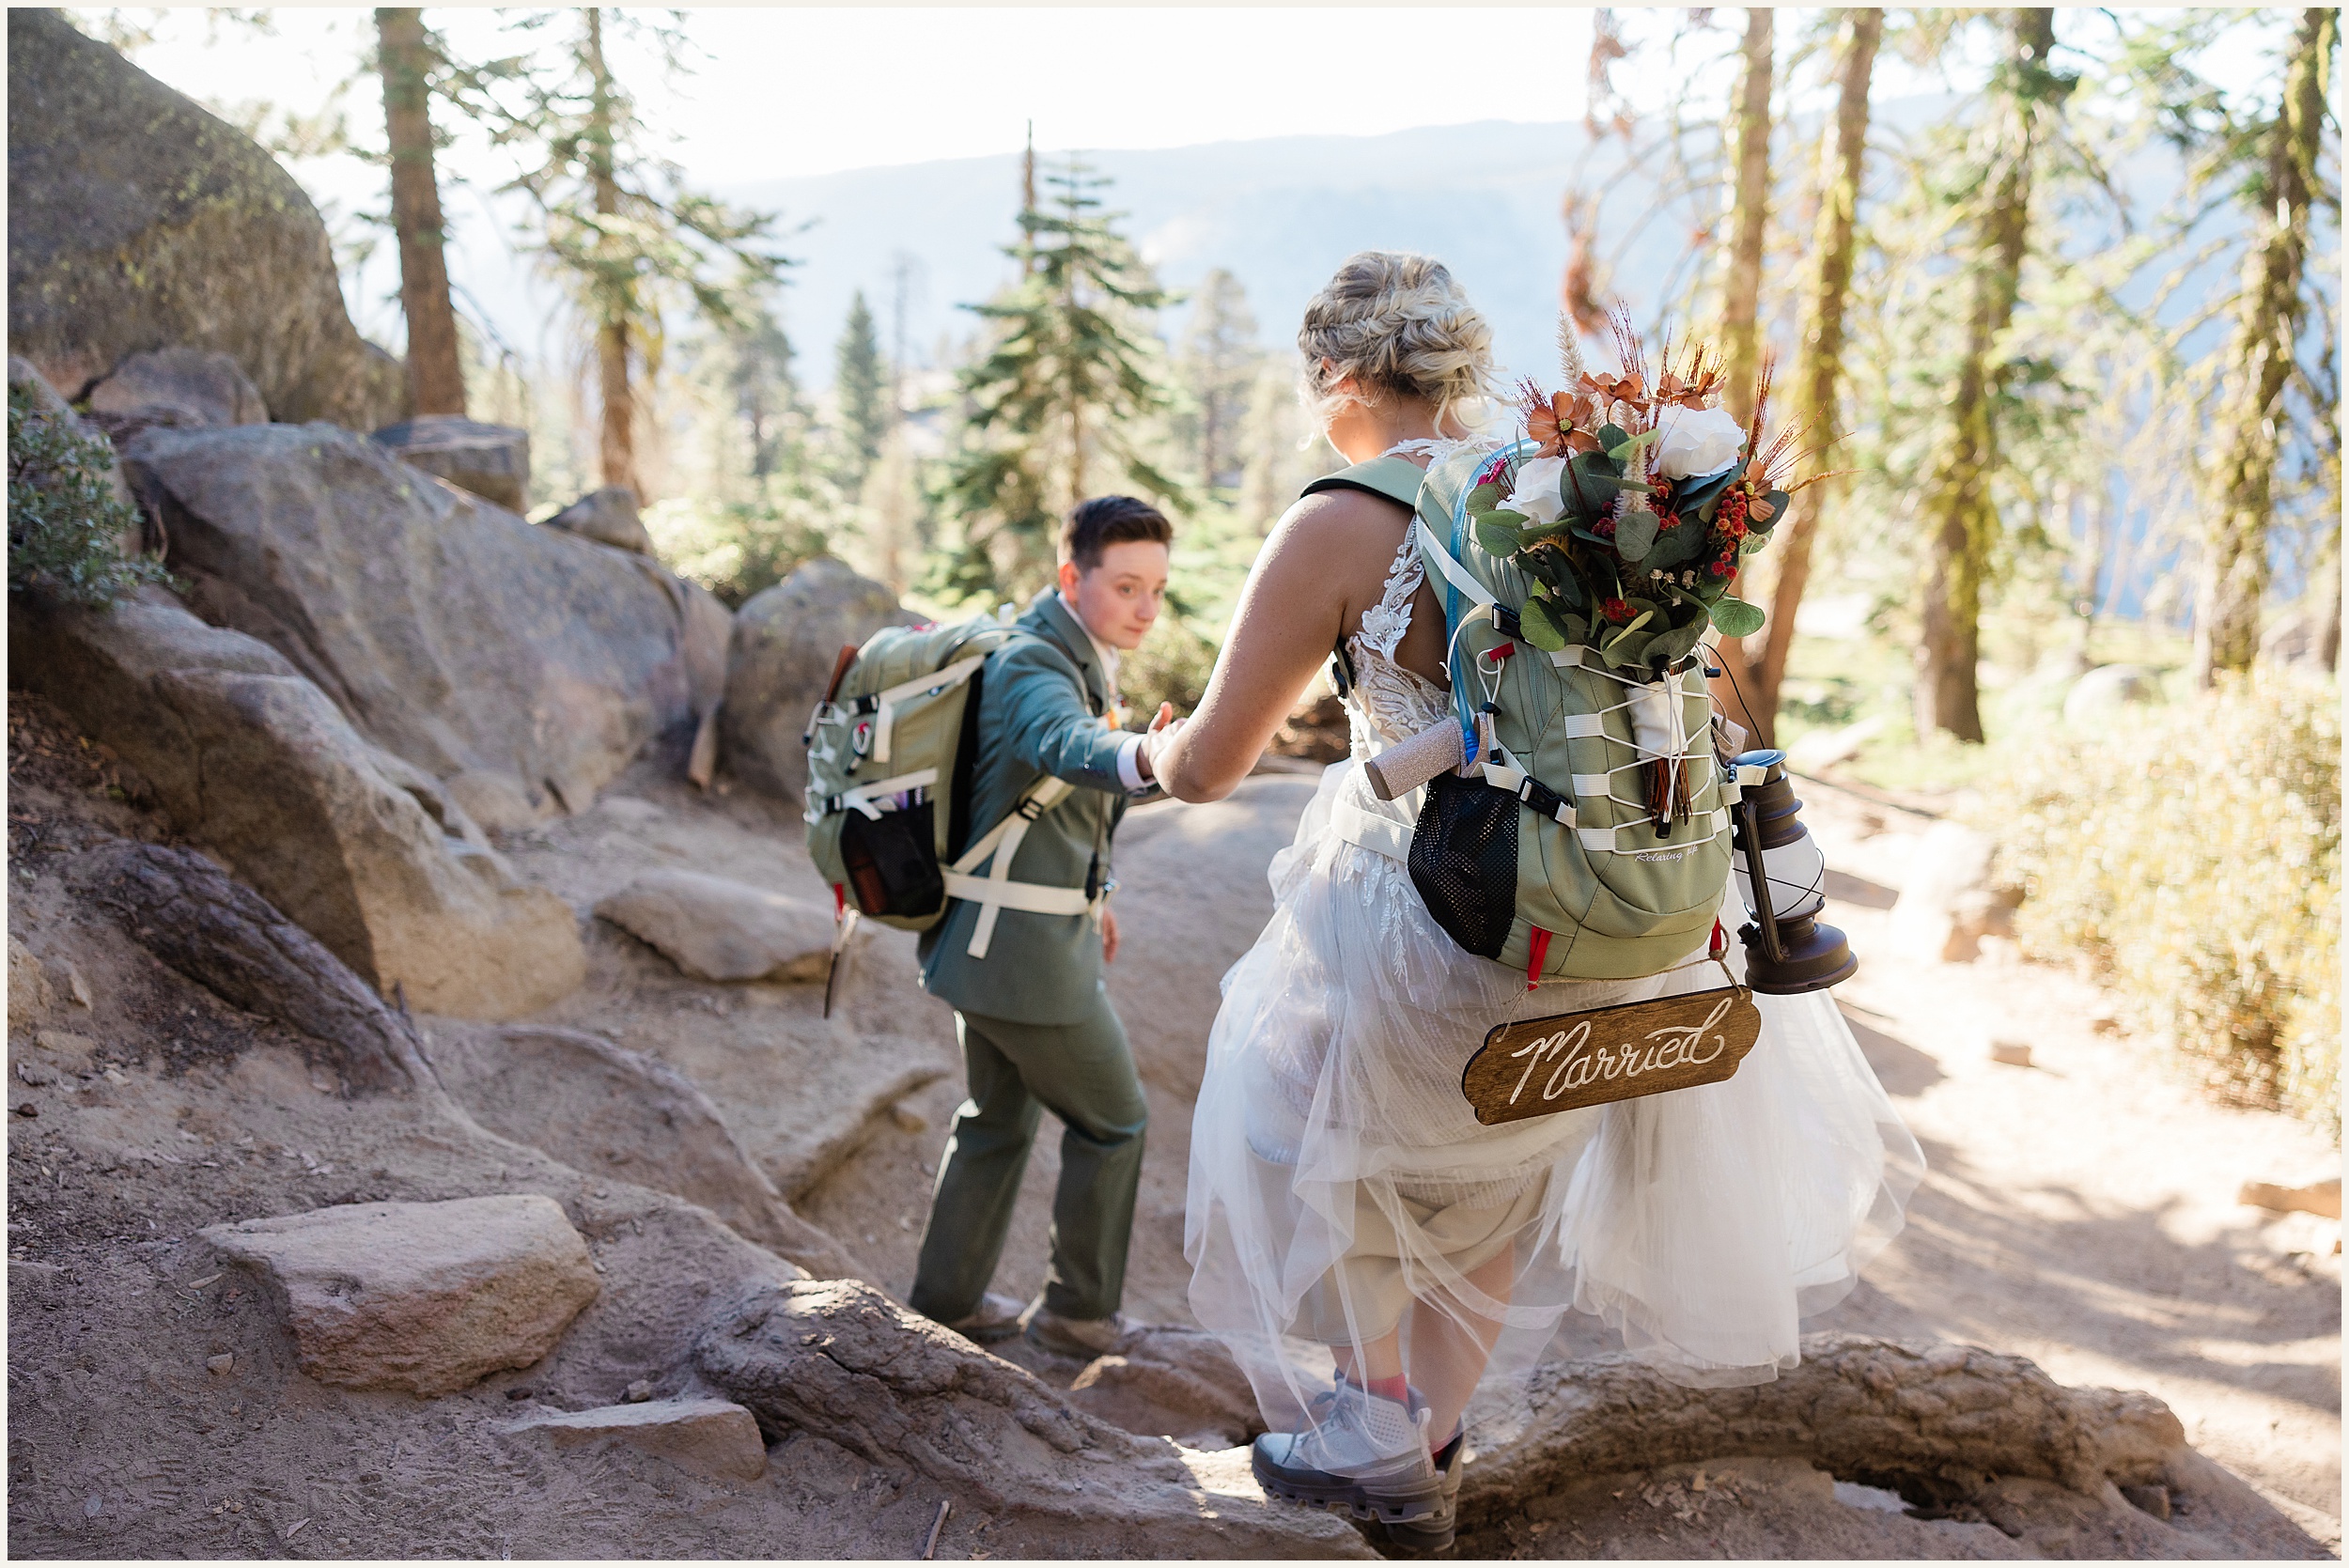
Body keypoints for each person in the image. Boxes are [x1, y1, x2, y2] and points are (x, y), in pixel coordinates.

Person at [1140, 252, 1921, 1549]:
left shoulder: (1337, 516)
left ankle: (1375, 1423)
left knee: (1305, 1109)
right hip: (1609, 925)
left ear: (1334, 374)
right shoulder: (1555, 498)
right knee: (1491, 1175)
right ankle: (1432, 1449)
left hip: (1441, 919)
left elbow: (1215, 763)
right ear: (1462, 368)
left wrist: (1146, 755)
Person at [908, 495, 1179, 1359]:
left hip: (984, 941)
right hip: (1020, 957)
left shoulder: (1074, 651)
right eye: (1127, 585)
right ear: (1073, 576)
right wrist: (1150, 756)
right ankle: (1077, 1310)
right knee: (1116, 1122)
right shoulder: (1034, 665)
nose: (1145, 607)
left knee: (997, 1113)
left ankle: (944, 1303)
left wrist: (1092, 893)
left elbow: (1041, 803)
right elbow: (1063, 746)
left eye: (1157, 590)